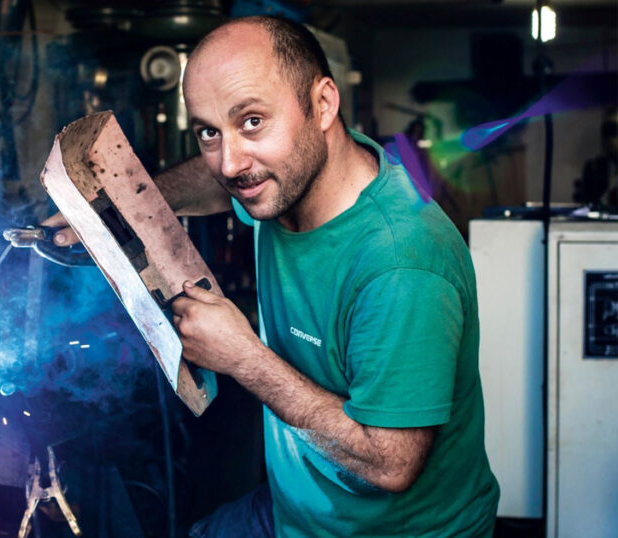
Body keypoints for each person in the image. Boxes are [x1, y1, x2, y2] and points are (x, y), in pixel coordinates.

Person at [44, 15, 499, 537]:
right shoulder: (289, 176)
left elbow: (391, 463)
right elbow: (218, 185)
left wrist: (242, 356)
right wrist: (122, 206)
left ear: (323, 104)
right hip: (297, 513)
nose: (231, 162)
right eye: (210, 132)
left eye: (252, 121)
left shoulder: (402, 264)